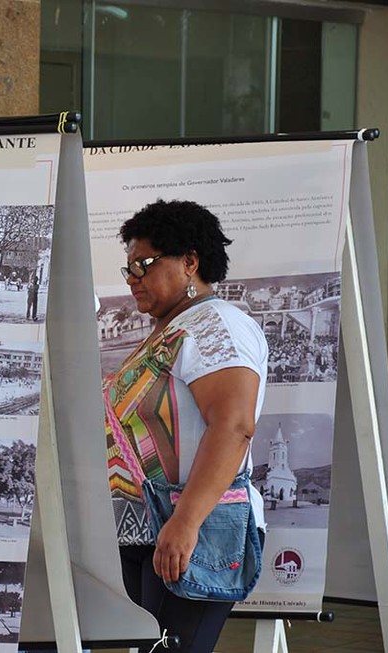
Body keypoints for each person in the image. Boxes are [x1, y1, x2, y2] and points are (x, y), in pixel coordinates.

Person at [104, 199, 268, 653]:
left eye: (144, 265)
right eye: (129, 269)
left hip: (191, 527)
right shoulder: (170, 328)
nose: (133, 278)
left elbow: (234, 426)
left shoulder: (216, 326)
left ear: (190, 262)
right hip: (150, 528)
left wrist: (186, 521)